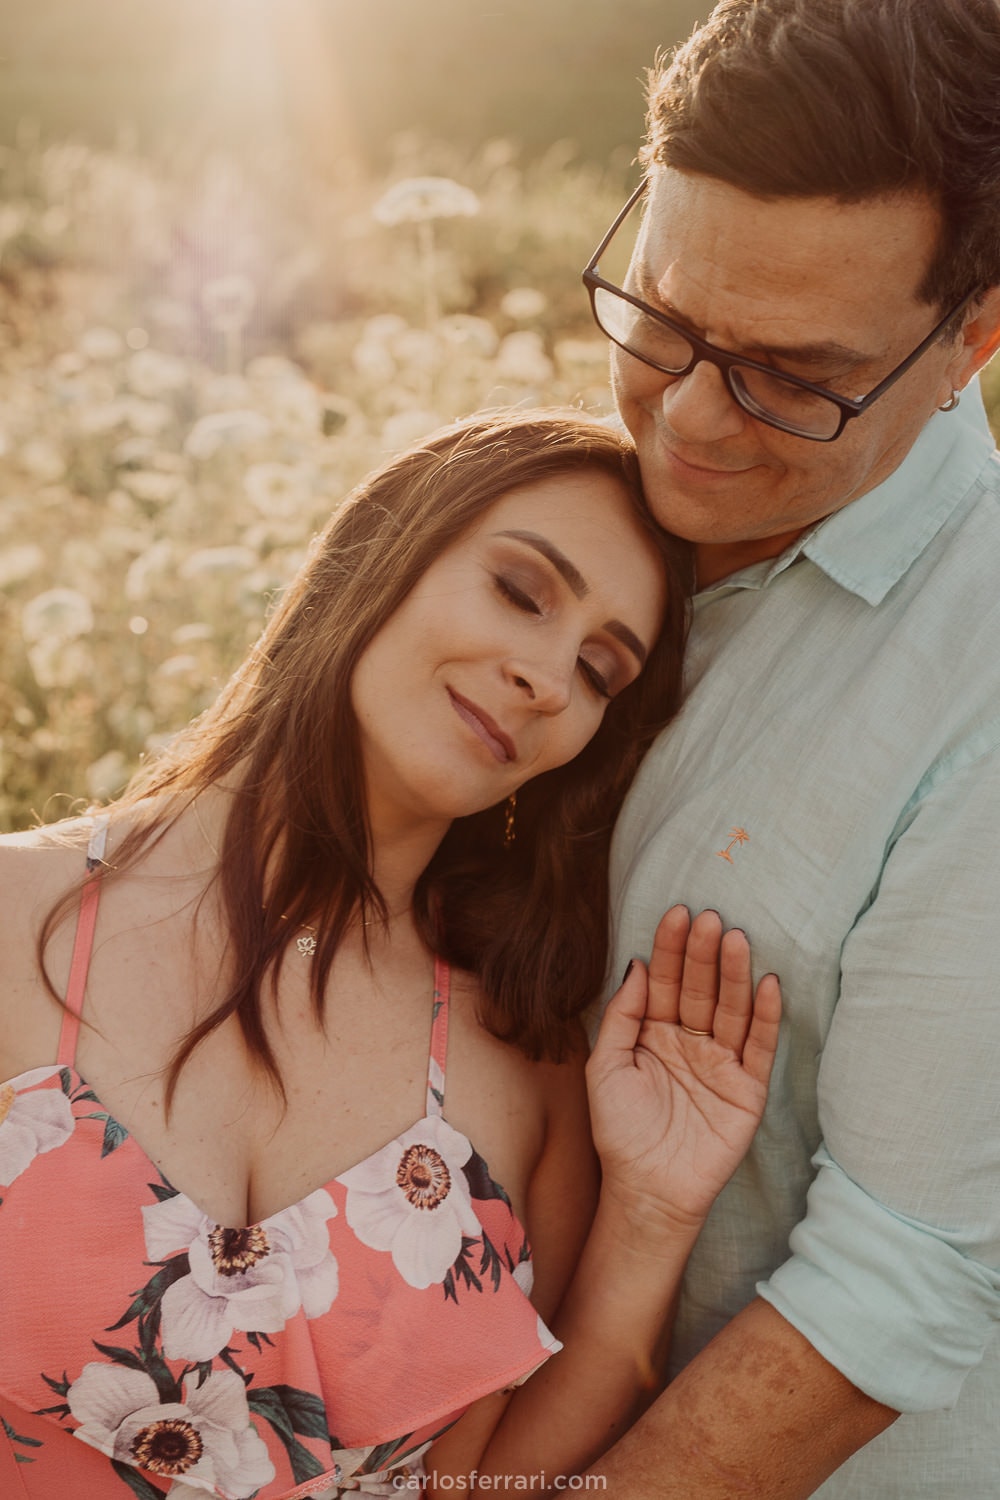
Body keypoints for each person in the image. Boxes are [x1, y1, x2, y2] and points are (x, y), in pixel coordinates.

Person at [0, 409, 781, 1499]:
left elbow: (499, 1482)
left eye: (601, 670)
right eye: (520, 591)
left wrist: (652, 1218)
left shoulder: (526, 1074)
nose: (550, 679)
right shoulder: (15, 917)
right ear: (380, 554)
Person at [578, 1, 1000, 1496]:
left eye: (792, 374)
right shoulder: (558, 509)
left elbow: (901, 1274)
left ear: (970, 342)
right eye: (662, 318)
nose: (689, 418)